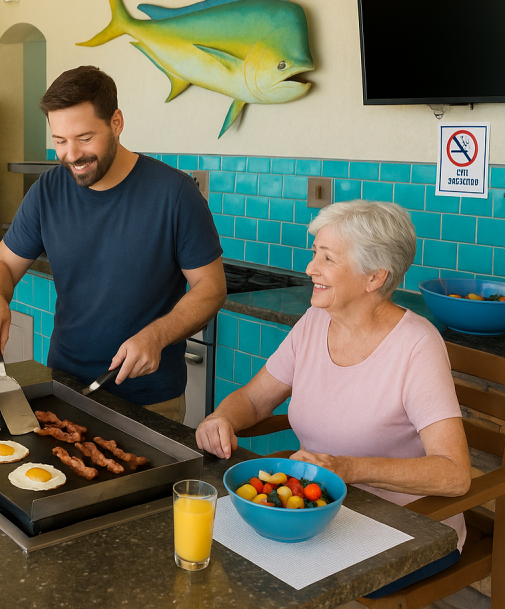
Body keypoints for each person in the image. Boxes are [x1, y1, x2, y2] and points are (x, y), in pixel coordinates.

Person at [196, 199, 471, 597]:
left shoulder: (417, 345)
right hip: (318, 511)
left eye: (327, 258)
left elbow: (455, 473)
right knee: (218, 551)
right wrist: (220, 417)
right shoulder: (314, 321)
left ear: (374, 277)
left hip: (404, 525)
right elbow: (255, 400)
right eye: (314, 254)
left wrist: (346, 467)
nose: (310, 269)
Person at [0, 66, 226, 422]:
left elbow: (211, 287)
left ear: (117, 123)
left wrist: (157, 336)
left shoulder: (175, 194)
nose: (71, 154)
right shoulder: (46, 192)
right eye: (59, 140)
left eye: (85, 138)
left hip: (150, 402)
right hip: (64, 390)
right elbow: (1, 265)